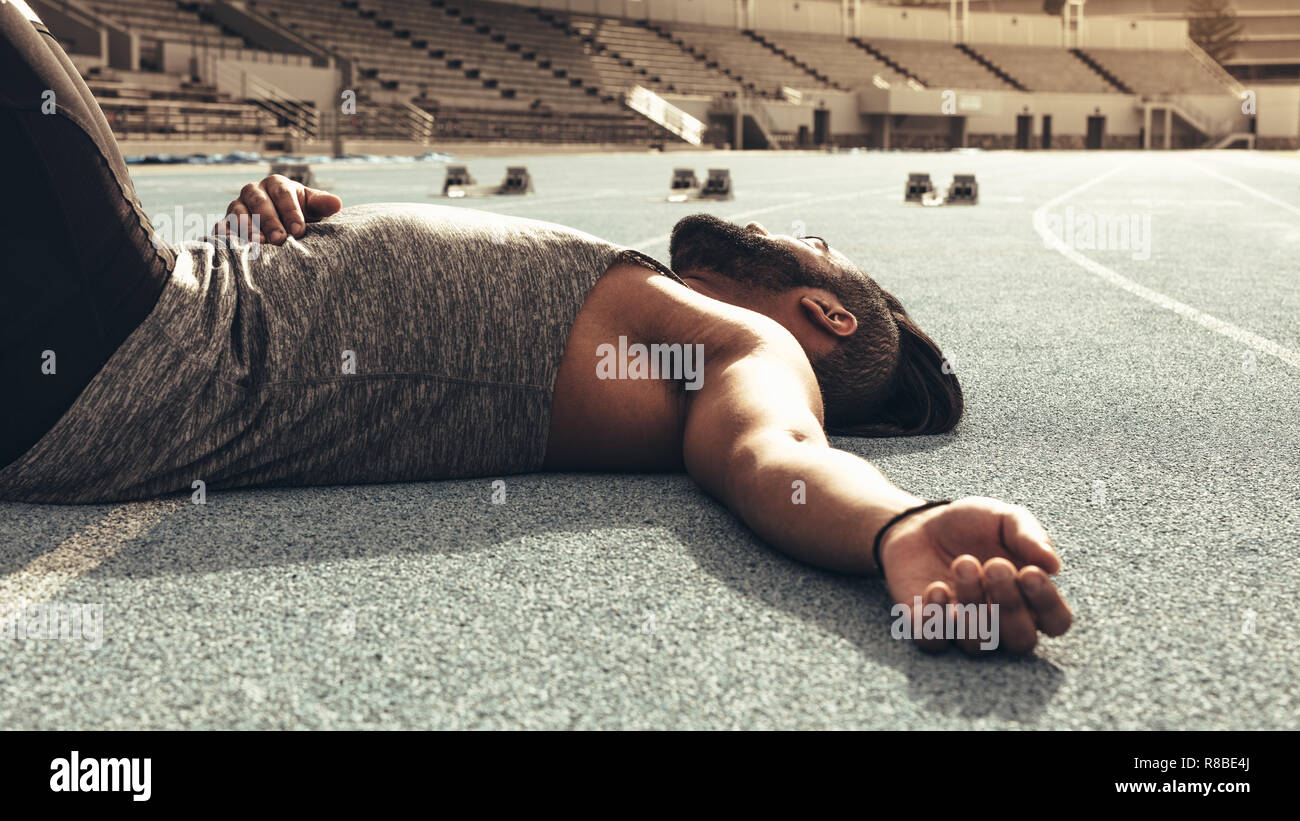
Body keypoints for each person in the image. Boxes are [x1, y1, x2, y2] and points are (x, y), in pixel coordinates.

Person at [0, 1, 1071, 654]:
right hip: (148, 317)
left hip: (130, 348)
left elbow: (775, 453)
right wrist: (269, 228)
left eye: (807, 243)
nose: (765, 226)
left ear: (822, 311)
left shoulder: (755, 350)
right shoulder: (654, 315)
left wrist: (895, 527)